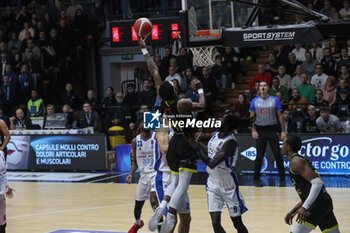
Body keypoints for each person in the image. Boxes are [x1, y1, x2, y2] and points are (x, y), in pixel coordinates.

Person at [138, 36, 205, 233]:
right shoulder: (181, 103)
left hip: (176, 143)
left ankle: (162, 207)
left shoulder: (163, 102)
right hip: (184, 144)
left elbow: (153, 70)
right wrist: (200, 88)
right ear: (175, 91)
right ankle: (170, 212)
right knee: (182, 184)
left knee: (177, 185)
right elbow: (201, 106)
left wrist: (145, 50)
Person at [187, 113, 249, 233]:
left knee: (237, 223)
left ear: (227, 126)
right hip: (212, 182)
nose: (218, 120)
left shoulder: (230, 142)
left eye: (221, 119)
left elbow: (212, 163)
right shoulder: (216, 135)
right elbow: (210, 153)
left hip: (228, 184)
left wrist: (195, 147)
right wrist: (199, 144)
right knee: (215, 223)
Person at [282, 136, 340, 233]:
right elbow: (309, 193)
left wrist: (304, 207)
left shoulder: (296, 161)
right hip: (323, 202)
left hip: (317, 204)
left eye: (283, 144)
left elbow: (317, 183)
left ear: (289, 148)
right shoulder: (298, 161)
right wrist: (293, 211)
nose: (282, 147)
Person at [249, 80, 286, 187]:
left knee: (277, 155)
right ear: (258, 88)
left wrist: (283, 131)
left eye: (264, 85)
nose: (263, 87)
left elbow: (280, 116)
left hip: (272, 129)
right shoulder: (254, 101)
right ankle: (256, 179)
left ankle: (282, 179)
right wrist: (253, 130)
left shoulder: (274, 100)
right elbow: (252, 117)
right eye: (261, 86)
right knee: (259, 155)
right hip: (260, 130)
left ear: (268, 87)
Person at [0, 150, 15, 233]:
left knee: (2, 223)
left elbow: (3, 175)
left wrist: (6, 187)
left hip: (1, 193)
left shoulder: (1, 154)